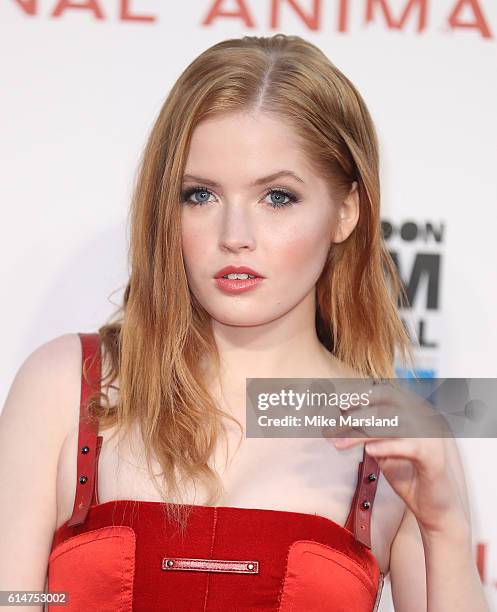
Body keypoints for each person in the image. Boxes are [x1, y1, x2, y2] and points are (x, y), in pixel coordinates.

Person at [0, 33, 489, 612]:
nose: (234, 235)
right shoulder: (69, 386)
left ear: (346, 212)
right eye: (200, 194)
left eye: (277, 197)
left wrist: (447, 532)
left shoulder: (396, 435)